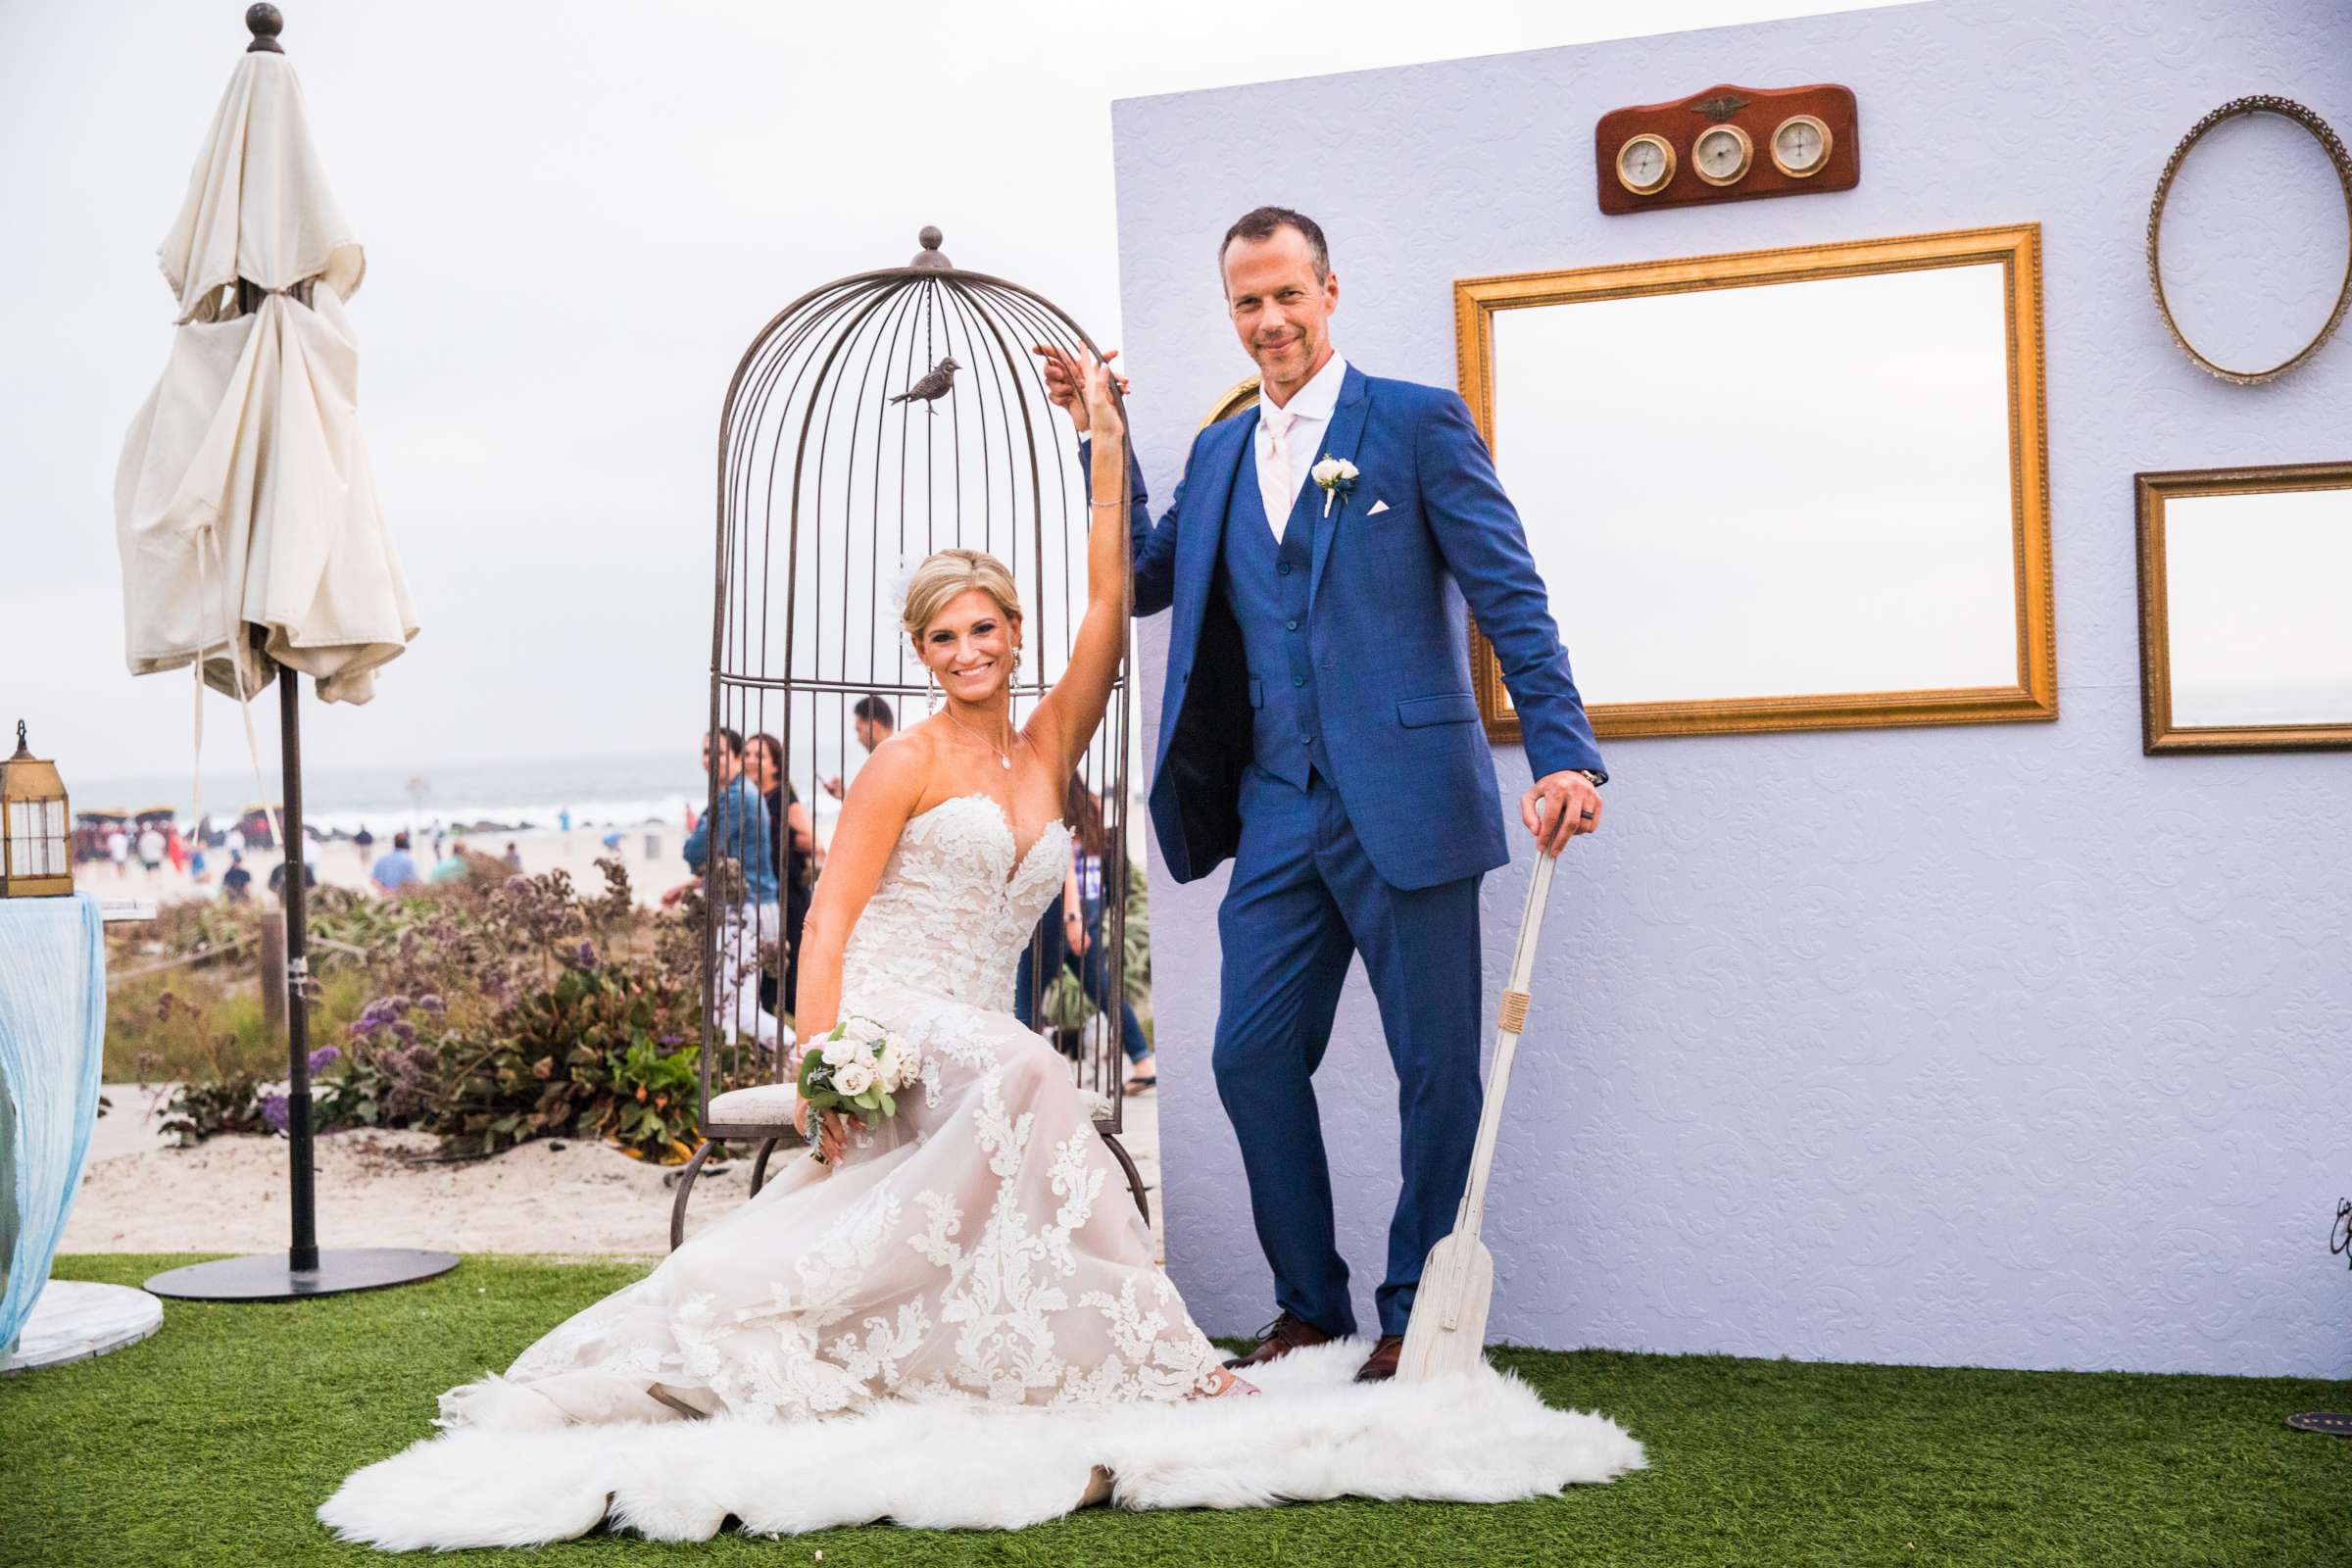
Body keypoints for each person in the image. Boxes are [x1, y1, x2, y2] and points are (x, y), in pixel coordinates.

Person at [430, 351, 1250, 1449]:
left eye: (984, 629)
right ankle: (1169, 1356)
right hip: (890, 1011)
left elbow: (1112, 597)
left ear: (1014, 632)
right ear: (923, 651)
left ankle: (1111, 1352)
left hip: (975, 1024)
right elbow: (827, 920)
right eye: (943, 637)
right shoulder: (901, 764)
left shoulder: (1049, 747)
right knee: (1033, 1067)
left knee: (1019, 1067)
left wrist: (1103, 432)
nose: (967, 651)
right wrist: (819, 1064)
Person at [1037, 206, 1608, 1385]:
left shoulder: (1414, 424)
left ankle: (1412, 1311)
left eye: (1287, 295)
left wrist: (1564, 750)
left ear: (1329, 292)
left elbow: (1513, 596)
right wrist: (1102, 430)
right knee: (1249, 1058)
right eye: (1248, 302)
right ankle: (1311, 1305)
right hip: (1278, 810)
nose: (1269, 320)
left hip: (1412, 797)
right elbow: (1145, 577)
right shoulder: (1218, 451)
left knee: (1437, 1069)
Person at [1012, 777, 1155, 1093]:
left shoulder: (1051, 809)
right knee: (1103, 990)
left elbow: (1062, 867)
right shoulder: (1093, 806)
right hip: (1088, 913)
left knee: (1028, 995)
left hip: (1060, 915)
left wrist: (1070, 916)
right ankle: (1143, 1061)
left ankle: (1027, 1076)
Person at [663, 729, 779, 1047]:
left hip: (745, 909)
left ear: (739, 758)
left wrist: (696, 836)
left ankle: (803, 1058)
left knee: (734, 1008)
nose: (709, 761)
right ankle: (730, 1073)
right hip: (747, 906)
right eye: (705, 753)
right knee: (716, 1006)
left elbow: (696, 852)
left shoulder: (736, 797)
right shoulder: (737, 794)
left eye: (719, 754)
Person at [743, 732, 816, 1018]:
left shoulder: (783, 796)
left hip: (789, 895)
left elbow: (812, 842)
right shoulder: (750, 798)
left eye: (759, 756)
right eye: (747, 754)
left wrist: (779, 837)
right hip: (760, 896)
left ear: (775, 765)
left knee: (789, 969)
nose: (750, 760)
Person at [820, 694, 895, 800]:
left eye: (858, 730)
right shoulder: (893, 758)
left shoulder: (889, 763)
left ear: (874, 727)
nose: (858, 738)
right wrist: (845, 796)